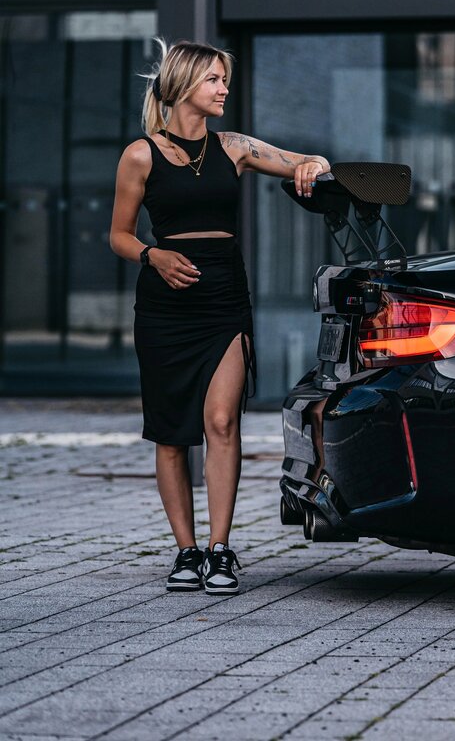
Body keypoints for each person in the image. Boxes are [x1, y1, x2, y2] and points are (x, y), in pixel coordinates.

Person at [109, 38, 330, 594]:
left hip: (224, 299)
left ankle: (220, 549)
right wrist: (153, 255)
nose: (224, 88)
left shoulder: (233, 147)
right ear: (184, 84)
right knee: (170, 433)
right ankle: (186, 551)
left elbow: (303, 160)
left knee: (222, 421)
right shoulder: (140, 155)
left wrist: (314, 165)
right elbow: (119, 234)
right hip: (164, 305)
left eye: (223, 78)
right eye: (213, 79)